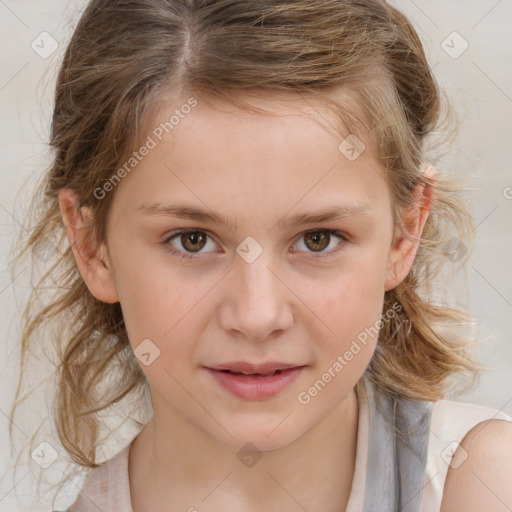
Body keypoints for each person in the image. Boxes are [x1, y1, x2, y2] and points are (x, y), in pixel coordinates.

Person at [8, 0, 512, 511]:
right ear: (93, 247)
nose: (257, 315)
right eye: (192, 240)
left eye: (318, 239)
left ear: (405, 232)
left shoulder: (483, 485)